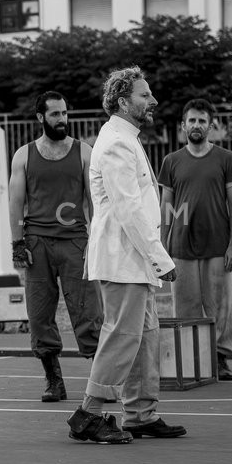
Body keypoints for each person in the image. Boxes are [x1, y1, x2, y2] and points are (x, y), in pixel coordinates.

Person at [67, 66, 186, 444]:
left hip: (133, 259)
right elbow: (128, 210)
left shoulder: (125, 138)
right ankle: (88, 414)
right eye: (144, 95)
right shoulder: (116, 142)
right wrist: (160, 258)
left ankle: (140, 414)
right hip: (123, 259)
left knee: (145, 338)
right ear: (122, 102)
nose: (153, 101)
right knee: (122, 336)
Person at [9, 91, 102, 402]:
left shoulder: (84, 152)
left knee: (89, 312)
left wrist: (96, 240)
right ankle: (54, 381)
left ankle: (101, 382)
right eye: (55, 114)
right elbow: (15, 202)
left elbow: (95, 201)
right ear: (41, 117)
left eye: (64, 113)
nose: (62, 119)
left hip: (75, 242)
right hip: (37, 245)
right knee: (39, 315)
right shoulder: (23, 155)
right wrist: (17, 244)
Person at [158, 99, 232, 381]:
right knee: (185, 307)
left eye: (202, 121)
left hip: (218, 245)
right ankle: (191, 360)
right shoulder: (171, 161)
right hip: (181, 246)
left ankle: (220, 358)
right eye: (192, 121)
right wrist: (162, 247)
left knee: (221, 306)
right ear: (183, 126)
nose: (197, 125)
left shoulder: (226, 159)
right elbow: (166, 208)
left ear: (211, 126)